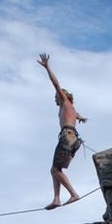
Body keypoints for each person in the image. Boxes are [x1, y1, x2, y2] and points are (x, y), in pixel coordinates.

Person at [37, 53, 88, 210]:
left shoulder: (65, 102)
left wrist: (47, 67)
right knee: (55, 170)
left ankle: (73, 194)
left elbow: (55, 84)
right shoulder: (71, 109)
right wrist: (81, 118)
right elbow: (77, 115)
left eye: (56, 97)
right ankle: (57, 199)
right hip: (73, 140)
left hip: (67, 137)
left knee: (54, 170)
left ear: (63, 96)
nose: (55, 99)